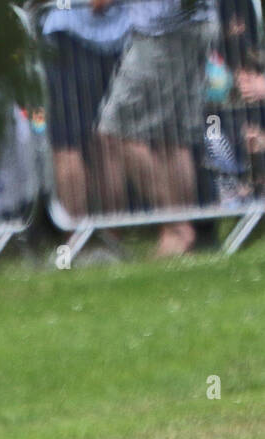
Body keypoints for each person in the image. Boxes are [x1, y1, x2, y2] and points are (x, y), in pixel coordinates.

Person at [95, 0, 221, 256]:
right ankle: (176, 235)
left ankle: (177, 228)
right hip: (197, 24)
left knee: (113, 133)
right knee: (174, 140)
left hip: (162, 31)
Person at [39, 0, 133, 218]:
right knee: (106, 142)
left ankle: (77, 235)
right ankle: (109, 234)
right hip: (120, 38)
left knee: (69, 145)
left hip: (69, 35)